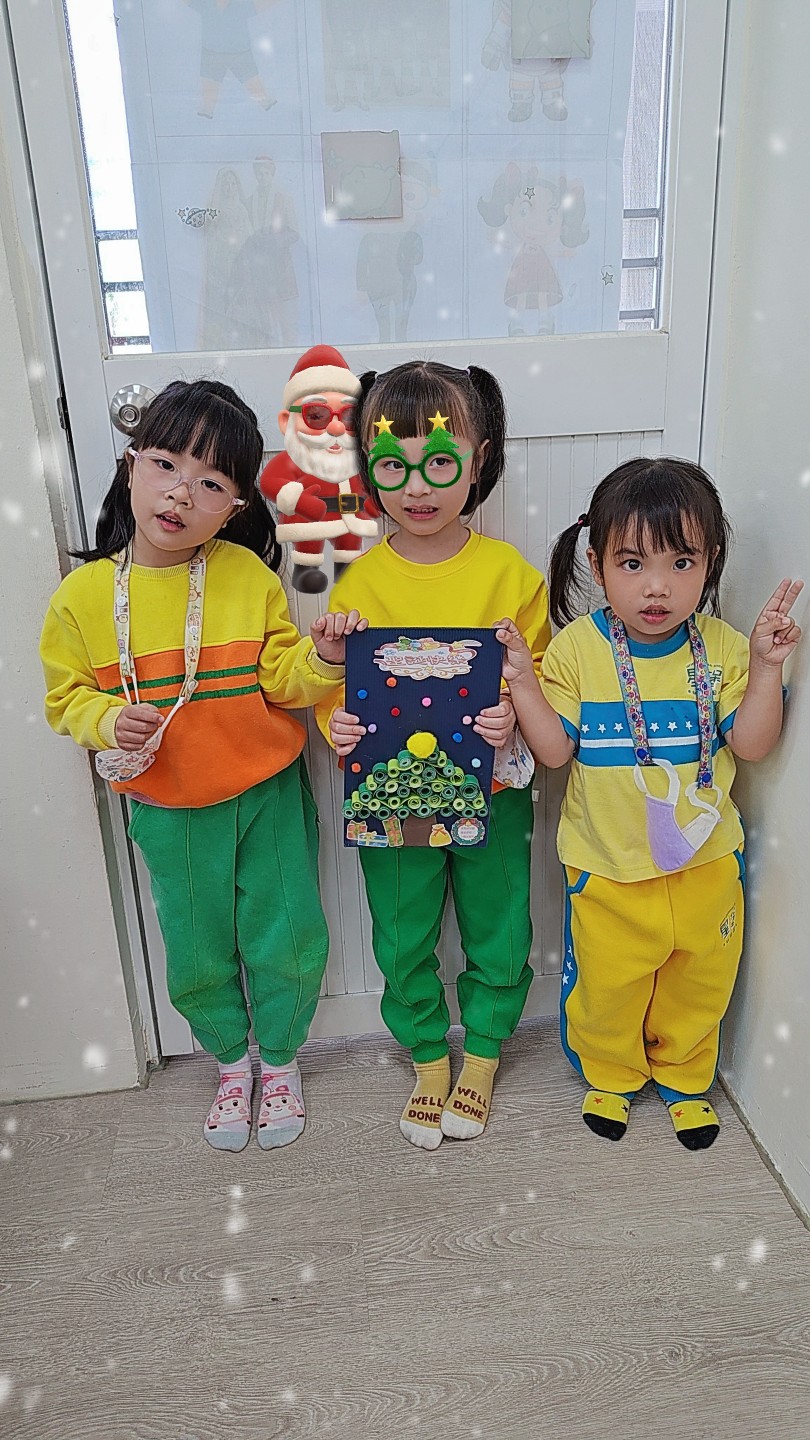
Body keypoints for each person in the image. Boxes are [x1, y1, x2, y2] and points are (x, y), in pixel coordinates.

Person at [40, 380, 366, 1154]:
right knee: (194, 949)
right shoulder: (82, 598)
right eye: (165, 465)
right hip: (168, 804)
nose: (181, 493)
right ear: (130, 466)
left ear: (236, 506)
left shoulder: (247, 577)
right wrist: (106, 718)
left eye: (211, 483)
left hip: (267, 792)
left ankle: (279, 1060)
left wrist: (324, 657)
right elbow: (65, 698)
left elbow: (283, 680)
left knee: (287, 934)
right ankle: (229, 1062)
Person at [495, 457, 802, 1149]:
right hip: (608, 866)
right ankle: (610, 1075)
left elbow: (753, 745)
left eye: (681, 562)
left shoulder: (722, 648)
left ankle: (687, 1080)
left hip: (706, 865)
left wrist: (765, 667)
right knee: (608, 985)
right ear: (597, 565)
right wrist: (523, 684)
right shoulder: (577, 649)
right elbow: (554, 752)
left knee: (701, 980)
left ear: (710, 563)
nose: (657, 586)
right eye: (632, 564)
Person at [314, 360, 552, 1149]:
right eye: (394, 467)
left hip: (494, 795)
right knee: (402, 932)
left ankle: (482, 1053)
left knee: (499, 928)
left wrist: (514, 715)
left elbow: (541, 682)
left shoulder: (512, 576)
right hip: (393, 801)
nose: (417, 488)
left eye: (440, 463)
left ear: (477, 461)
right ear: (370, 470)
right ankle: (425, 1056)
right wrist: (338, 726)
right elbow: (339, 692)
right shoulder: (359, 585)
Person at [259, 346, 379, 593]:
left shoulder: (355, 462)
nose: (335, 428)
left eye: (348, 417)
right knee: (308, 546)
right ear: (286, 421)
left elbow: (366, 484)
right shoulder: (292, 460)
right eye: (316, 415)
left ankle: (348, 570)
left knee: (350, 553)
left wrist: (373, 502)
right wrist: (298, 501)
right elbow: (269, 481)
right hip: (307, 522)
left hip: (349, 519)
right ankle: (306, 569)